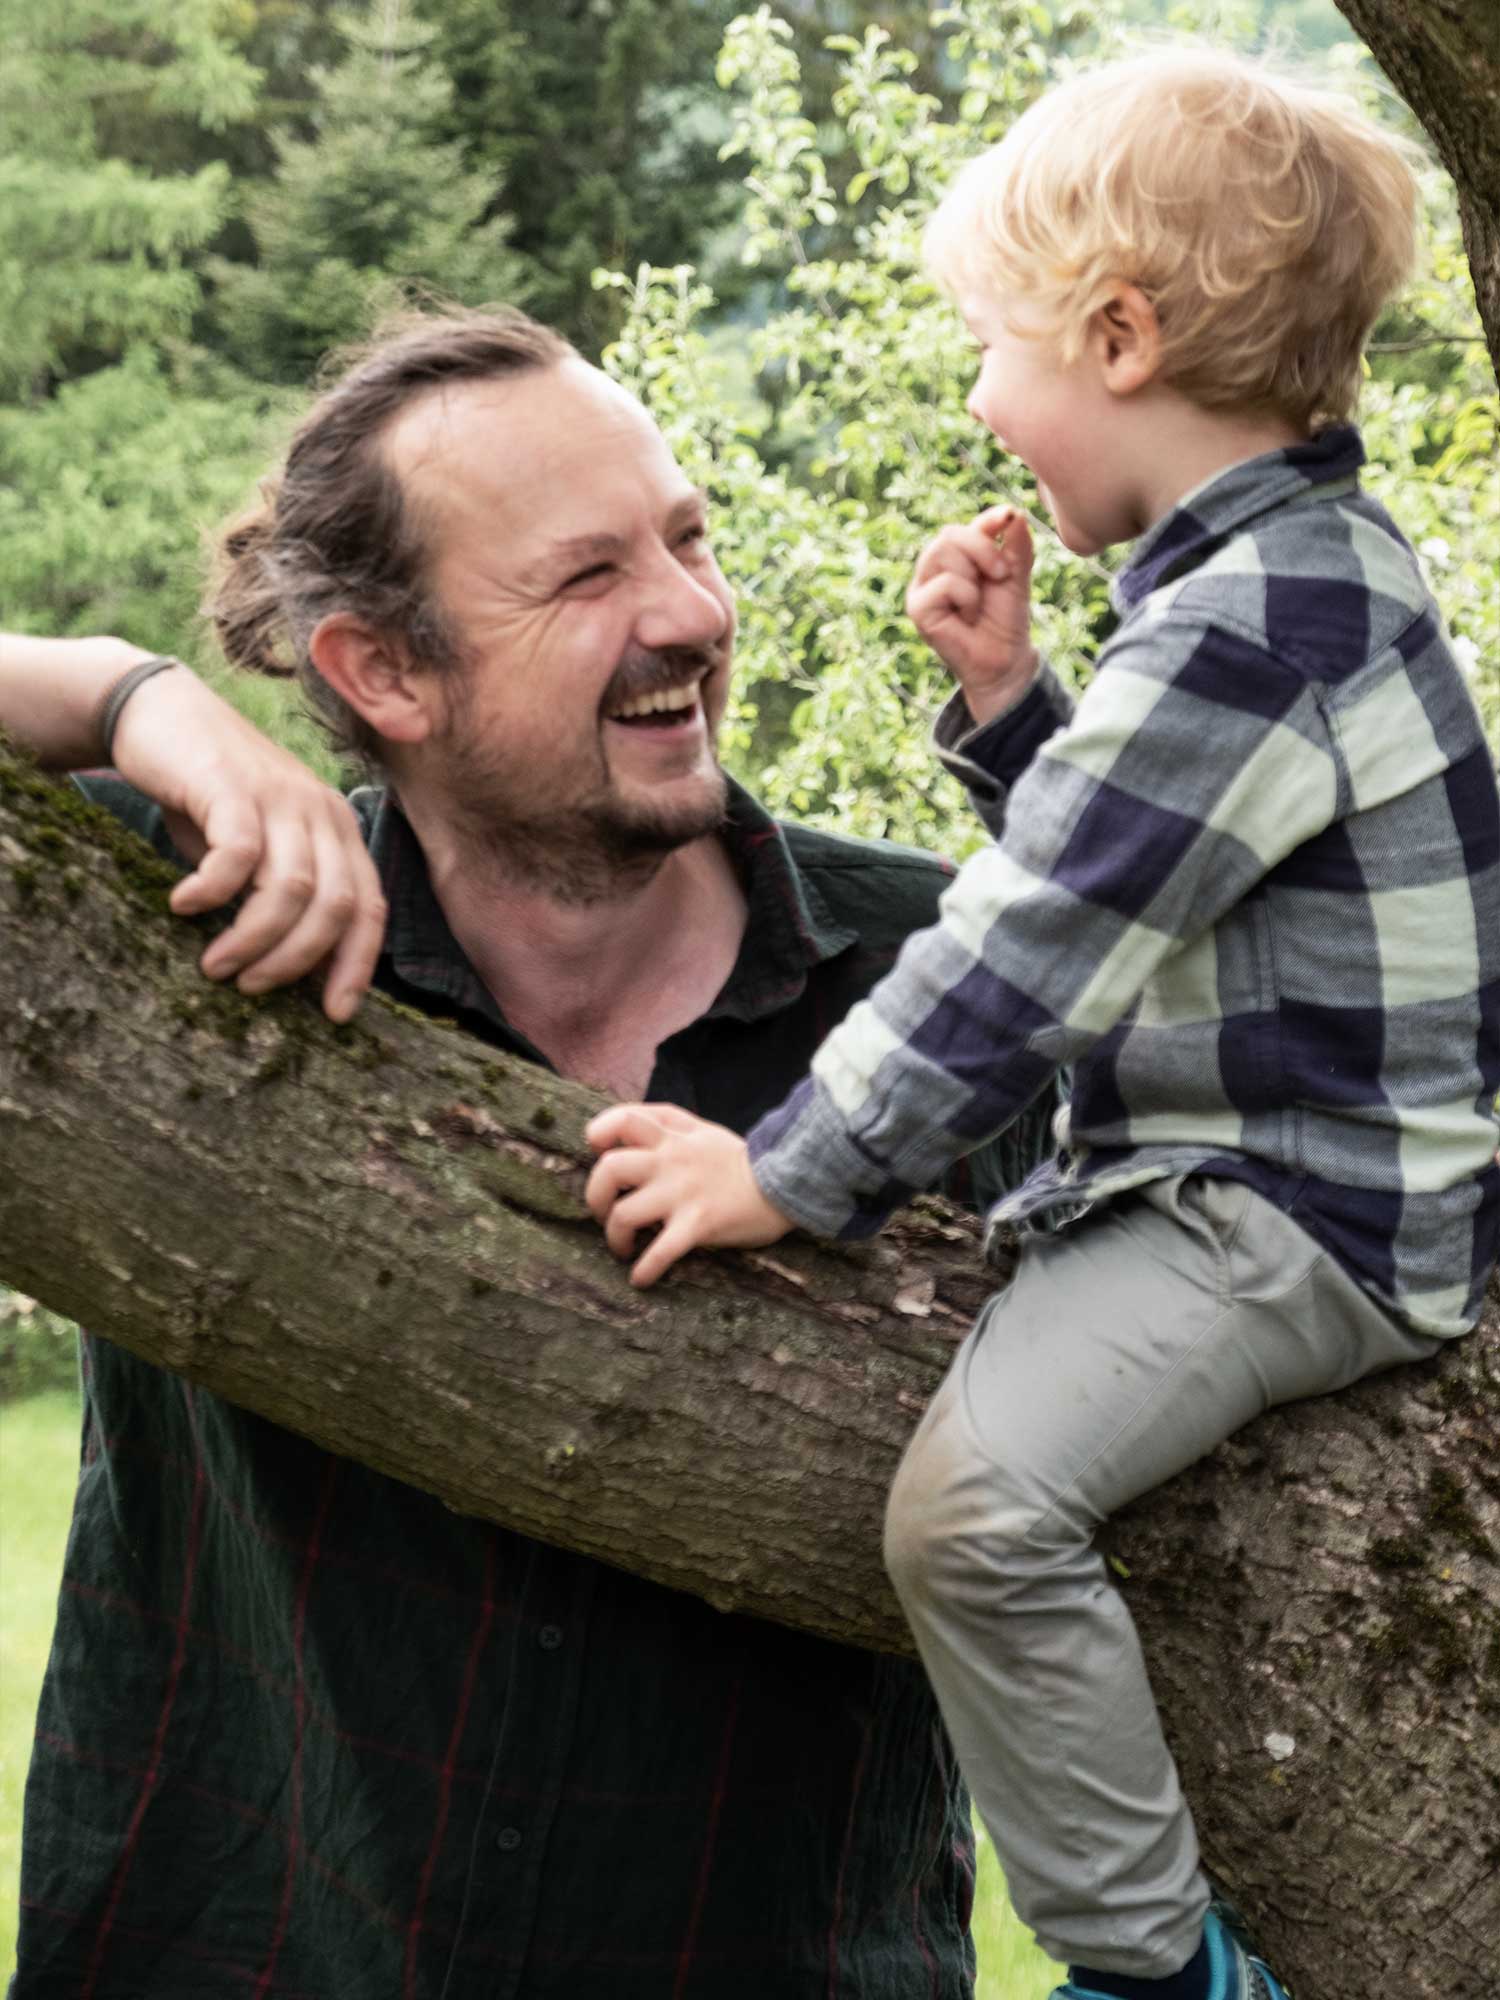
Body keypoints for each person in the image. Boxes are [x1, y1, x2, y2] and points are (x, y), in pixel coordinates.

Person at [582, 49, 1500, 2000]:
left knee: (976, 1510)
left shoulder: (1255, 620)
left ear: (1117, 333)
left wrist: (792, 1168)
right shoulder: (1290, 581)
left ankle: (1150, 1969)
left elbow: (1040, 943)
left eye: (996, 352)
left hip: (1295, 1214)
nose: (981, 400)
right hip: (1293, 1161)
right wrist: (1009, 702)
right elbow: (1178, 881)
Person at [2, 308, 1058, 1999]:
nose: (696, 616)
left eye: (690, 537)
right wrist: (133, 699)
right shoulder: (173, 926)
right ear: (381, 672)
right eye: (587, 579)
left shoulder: (963, 980)